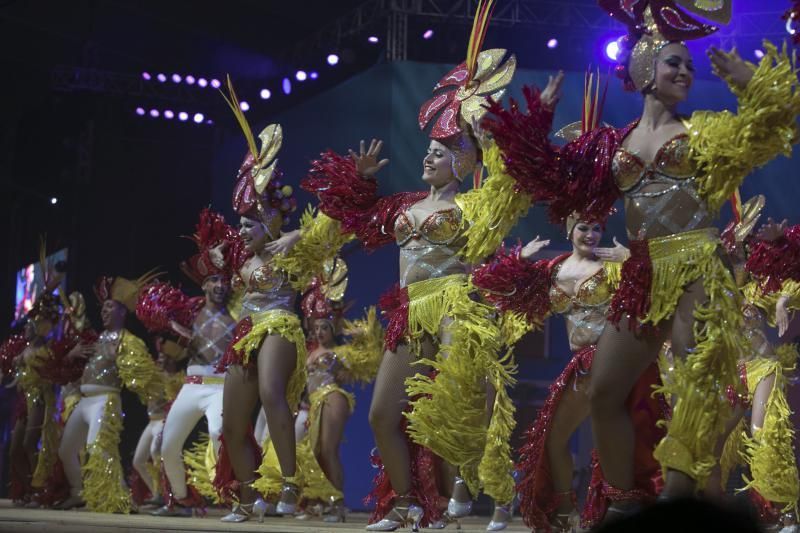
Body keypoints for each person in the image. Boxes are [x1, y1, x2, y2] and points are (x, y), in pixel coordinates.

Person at [482, 0, 800, 514]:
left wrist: (751, 83)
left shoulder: (704, 132)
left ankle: (679, 498)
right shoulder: (612, 144)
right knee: (605, 392)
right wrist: (535, 121)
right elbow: (551, 178)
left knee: (693, 386)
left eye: (690, 67)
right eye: (674, 62)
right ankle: (627, 503)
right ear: (644, 70)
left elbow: (769, 129)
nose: (684, 72)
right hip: (641, 271)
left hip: (697, 265)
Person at [303, 3, 551, 526]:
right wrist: (362, 177)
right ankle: (410, 503)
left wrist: (501, 131)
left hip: (455, 306)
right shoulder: (403, 205)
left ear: (463, 160)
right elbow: (357, 219)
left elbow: (510, 185)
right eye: (428, 150)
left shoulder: (472, 206)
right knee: (381, 415)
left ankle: (497, 494)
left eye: (440, 150)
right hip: (409, 310)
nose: (428, 156)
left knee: (463, 406)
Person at [473, 216, 665, 531]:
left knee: (615, 442)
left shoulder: (614, 267)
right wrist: (518, 259)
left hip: (613, 363)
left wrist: (632, 260)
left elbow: (656, 292)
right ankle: (564, 511)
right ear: (569, 230)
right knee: (552, 440)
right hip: (580, 363)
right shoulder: (552, 271)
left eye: (597, 228)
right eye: (583, 228)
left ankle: (618, 506)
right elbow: (488, 283)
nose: (591, 235)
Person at [211, 106, 352, 522]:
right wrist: (215, 258)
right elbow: (211, 267)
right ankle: (247, 496)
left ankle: (290, 481)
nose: (241, 230)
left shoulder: (291, 251)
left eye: (250, 223)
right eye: (239, 223)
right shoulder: (238, 258)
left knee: (272, 392)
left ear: (272, 219)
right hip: (247, 332)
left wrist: (298, 234)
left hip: (280, 326)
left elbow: (338, 225)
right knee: (233, 424)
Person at [136, 208, 238, 516]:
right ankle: (180, 498)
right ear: (204, 284)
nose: (220, 286)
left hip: (221, 386)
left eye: (224, 281)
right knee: (166, 444)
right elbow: (149, 306)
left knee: (220, 433)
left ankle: (230, 493)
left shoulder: (237, 314)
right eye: (214, 281)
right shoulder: (190, 311)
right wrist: (173, 328)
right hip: (191, 386)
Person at [55, 273, 163, 512]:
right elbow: (66, 367)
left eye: (109, 306)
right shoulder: (94, 338)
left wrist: (120, 358)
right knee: (66, 450)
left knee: (99, 448)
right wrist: (72, 355)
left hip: (105, 400)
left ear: (122, 312)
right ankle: (78, 493)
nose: (103, 311)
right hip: (84, 402)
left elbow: (142, 377)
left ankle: (118, 498)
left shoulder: (128, 341)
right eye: (102, 307)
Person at [288, 266, 383, 522]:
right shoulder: (308, 353)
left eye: (325, 328)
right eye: (317, 328)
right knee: (312, 452)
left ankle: (337, 503)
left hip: (332, 398)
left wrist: (364, 333)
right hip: (311, 405)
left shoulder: (340, 354)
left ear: (334, 330)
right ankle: (316, 501)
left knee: (328, 450)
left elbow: (371, 357)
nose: (320, 332)